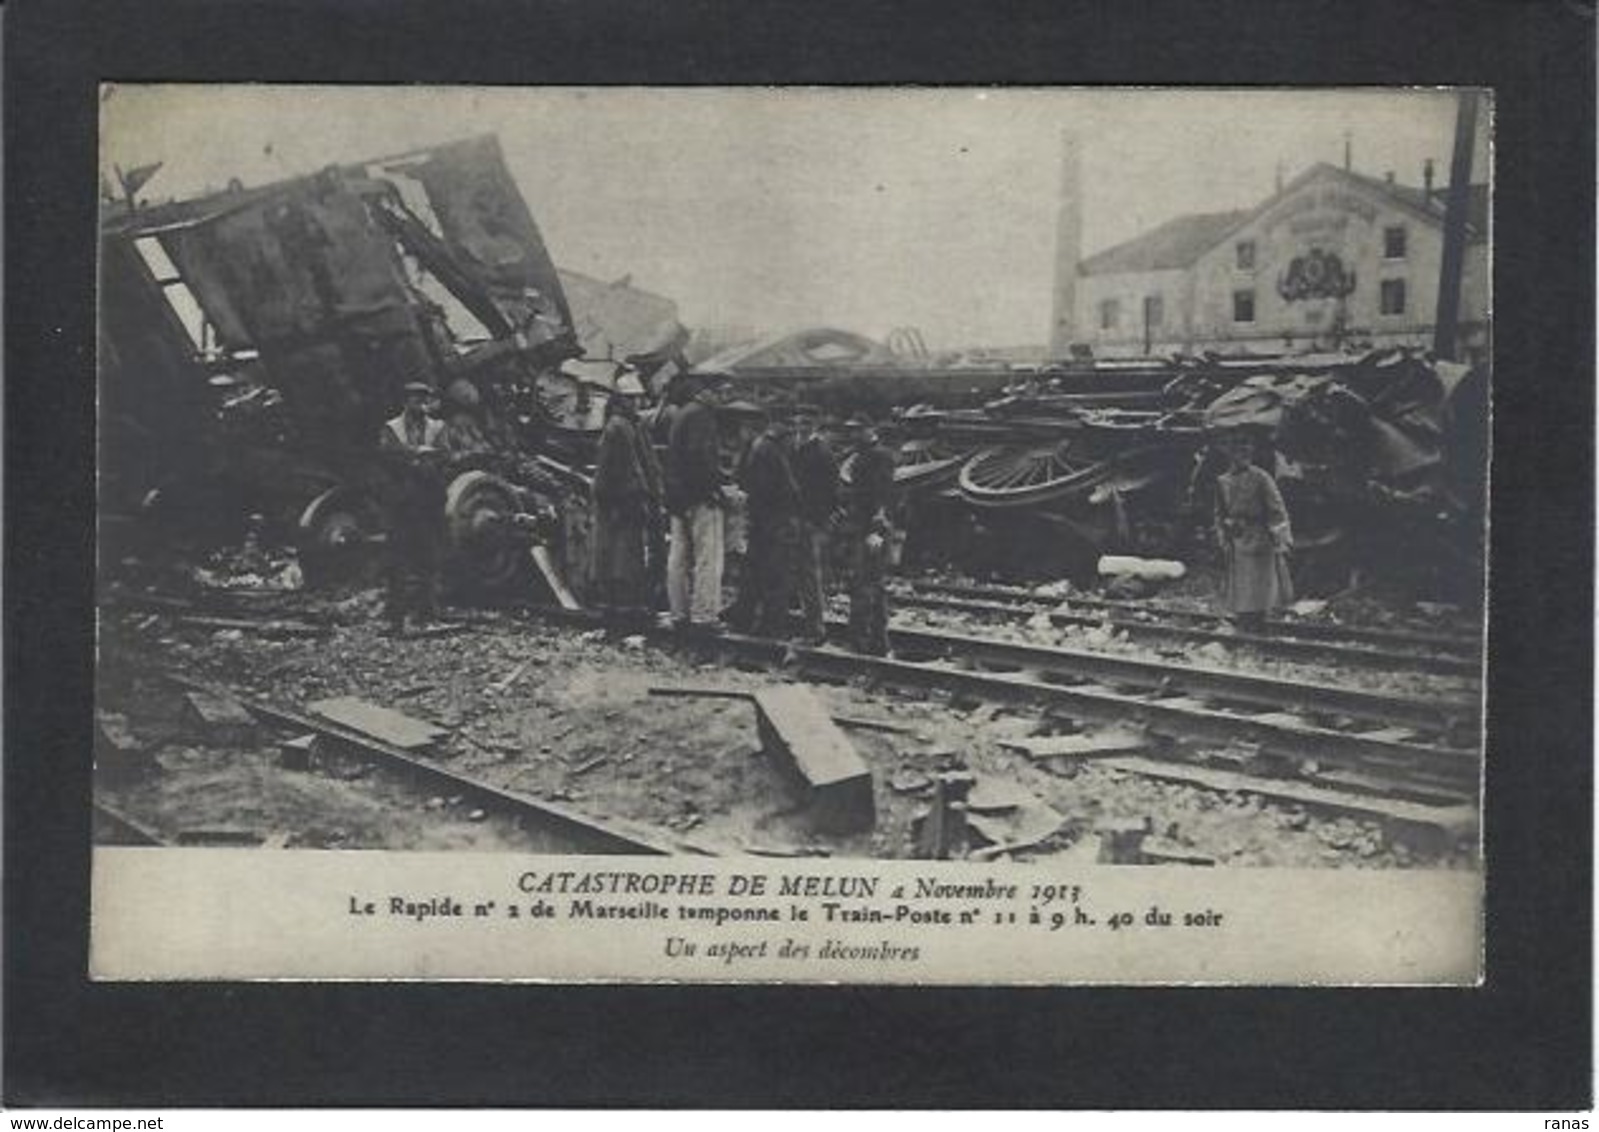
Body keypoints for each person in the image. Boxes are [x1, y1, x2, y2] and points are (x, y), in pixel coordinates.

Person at [378, 380, 447, 634]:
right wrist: (418, 455)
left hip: (428, 501)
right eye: (414, 398)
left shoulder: (437, 427)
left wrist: (414, 456)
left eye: (423, 398)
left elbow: (444, 454)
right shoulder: (391, 427)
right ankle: (396, 618)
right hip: (401, 502)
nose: (419, 403)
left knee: (428, 558)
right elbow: (388, 455)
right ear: (405, 402)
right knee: (397, 560)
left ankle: (427, 615)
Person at [1212, 427, 1294, 632]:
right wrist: (1222, 535)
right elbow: (1219, 513)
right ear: (1230, 455)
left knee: (1260, 581)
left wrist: (1281, 537)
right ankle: (1245, 618)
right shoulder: (1222, 481)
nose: (1242, 456)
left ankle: (1260, 620)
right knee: (1242, 581)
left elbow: (1277, 509)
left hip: (1260, 536)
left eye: (1246, 451)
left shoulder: (1261, 477)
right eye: (1237, 452)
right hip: (1238, 537)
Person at [662, 371, 726, 632]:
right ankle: (704, 615)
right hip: (699, 497)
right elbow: (700, 457)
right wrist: (715, 489)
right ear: (706, 392)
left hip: (678, 497)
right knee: (707, 557)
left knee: (678, 557)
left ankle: (679, 612)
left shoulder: (682, 414)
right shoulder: (702, 415)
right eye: (721, 392)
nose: (723, 398)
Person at [590, 392, 655, 628]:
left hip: (621, 496)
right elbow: (617, 467)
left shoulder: (623, 426)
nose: (636, 403)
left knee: (621, 552)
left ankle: (617, 604)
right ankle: (621, 604)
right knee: (622, 553)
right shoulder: (619, 427)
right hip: (621, 498)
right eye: (630, 399)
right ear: (620, 402)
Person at [738, 412, 803, 638]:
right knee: (776, 576)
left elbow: (744, 479)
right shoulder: (771, 450)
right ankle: (771, 627)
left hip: (761, 520)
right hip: (774, 521)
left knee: (753, 574)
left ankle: (745, 620)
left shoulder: (759, 446)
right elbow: (779, 490)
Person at [839, 414, 897, 655]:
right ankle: (875, 642)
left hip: (871, 530)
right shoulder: (863, 455)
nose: (853, 434)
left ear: (870, 429)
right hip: (861, 527)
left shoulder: (880, 456)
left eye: (858, 430)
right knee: (869, 584)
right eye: (851, 430)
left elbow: (884, 495)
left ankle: (864, 643)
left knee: (866, 585)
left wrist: (877, 531)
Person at [791, 406, 838, 645]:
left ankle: (815, 629)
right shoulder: (798, 448)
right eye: (798, 422)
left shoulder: (820, 452)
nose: (801, 427)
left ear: (815, 425)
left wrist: (816, 520)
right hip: (798, 519)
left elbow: (829, 492)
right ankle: (807, 623)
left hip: (809, 521)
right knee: (802, 574)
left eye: (806, 423)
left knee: (809, 576)